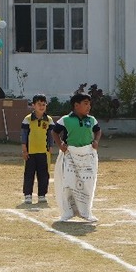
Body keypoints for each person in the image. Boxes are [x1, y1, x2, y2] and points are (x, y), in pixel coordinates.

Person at [53, 91, 101, 223]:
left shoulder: (91, 120)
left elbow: (98, 130)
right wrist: (60, 144)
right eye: (85, 104)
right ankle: (67, 212)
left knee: (88, 184)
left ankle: (86, 212)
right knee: (68, 183)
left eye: (89, 104)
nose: (88, 107)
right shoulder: (66, 119)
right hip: (70, 156)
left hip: (87, 156)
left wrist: (96, 141)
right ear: (76, 105)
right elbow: (54, 132)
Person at [20, 93, 53, 206]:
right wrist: (24, 149)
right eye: (39, 104)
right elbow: (24, 135)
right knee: (29, 174)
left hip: (43, 152)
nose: (41, 107)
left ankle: (42, 195)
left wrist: (50, 147)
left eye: (44, 104)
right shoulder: (27, 119)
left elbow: (50, 135)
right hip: (31, 152)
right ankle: (28, 195)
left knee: (44, 174)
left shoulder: (48, 120)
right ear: (33, 105)